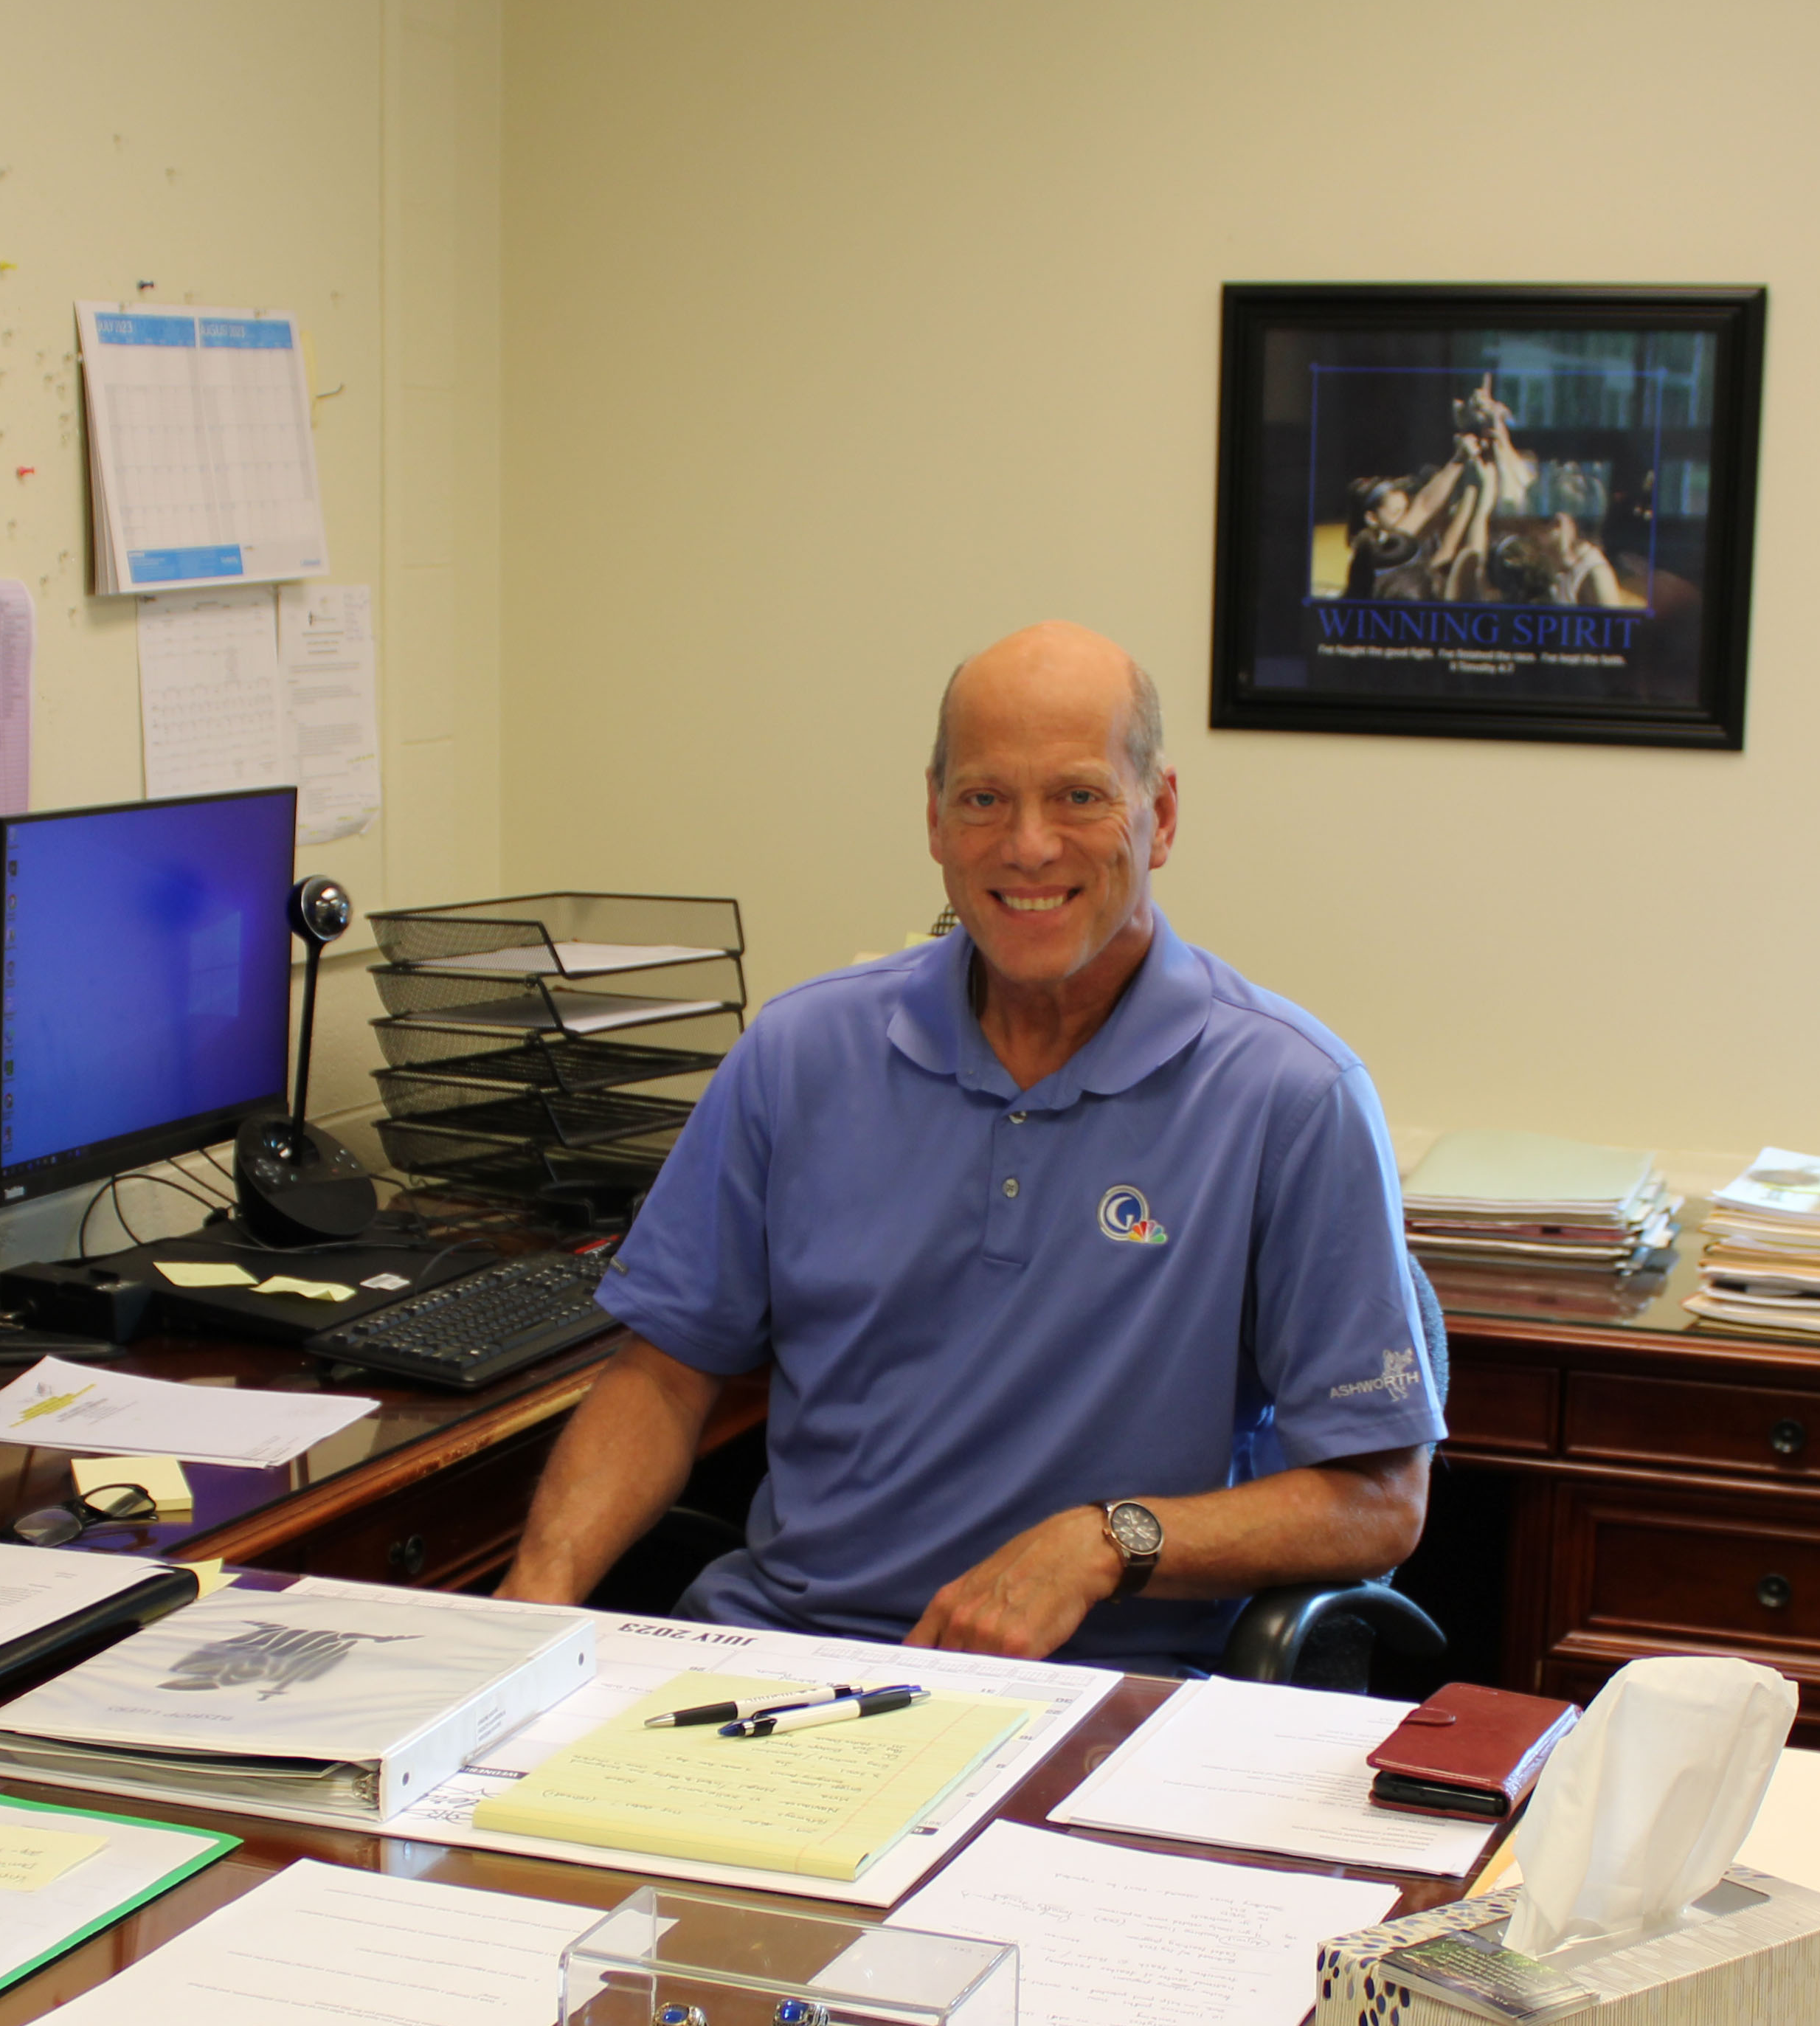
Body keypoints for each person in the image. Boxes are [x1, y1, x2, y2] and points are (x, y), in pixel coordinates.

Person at [499, 621, 1444, 1667]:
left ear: (1160, 814)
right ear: (937, 822)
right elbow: (665, 1378)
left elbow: (1378, 1502)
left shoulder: (1292, 1095)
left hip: (1096, 1695)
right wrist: (526, 1617)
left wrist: (1105, 1542)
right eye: (985, 798)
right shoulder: (800, 1053)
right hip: (784, 1659)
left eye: (1079, 796)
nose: (1028, 845)